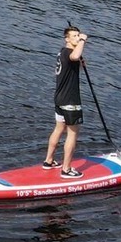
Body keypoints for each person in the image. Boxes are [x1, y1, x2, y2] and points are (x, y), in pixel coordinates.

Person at [42, 26, 88, 178]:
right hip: (70, 100)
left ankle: (48, 161)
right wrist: (82, 40)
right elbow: (75, 56)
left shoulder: (62, 52)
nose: (77, 38)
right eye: (74, 36)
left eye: (78, 35)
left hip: (59, 98)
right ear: (67, 39)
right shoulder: (69, 53)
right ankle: (66, 169)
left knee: (59, 128)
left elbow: (74, 62)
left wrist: (80, 61)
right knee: (72, 134)